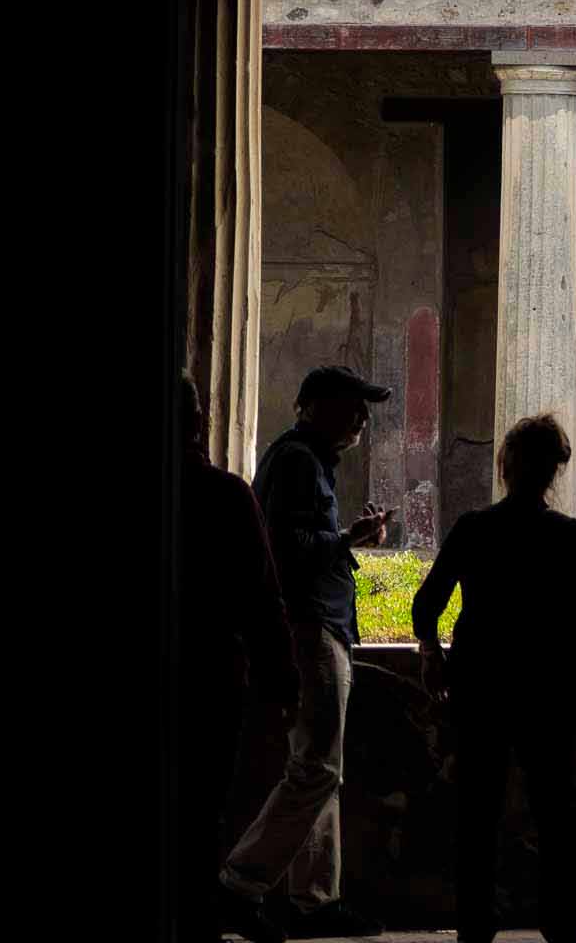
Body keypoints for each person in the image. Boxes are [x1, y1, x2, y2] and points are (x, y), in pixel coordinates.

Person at [412, 413, 576, 943]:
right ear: (555, 472)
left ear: (504, 466)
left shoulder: (474, 529)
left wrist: (431, 650)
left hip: (482, 685)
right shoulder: (570, 537)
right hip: (550, 690)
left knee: (478, 811)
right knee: (558, 812)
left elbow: (426, 603)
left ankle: (476, 924)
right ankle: (562, 924)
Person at [220, 365, 394, 941]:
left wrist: (348, 539)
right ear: (314, 405)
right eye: (354, 405)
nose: (363, 418)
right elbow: (285, 546)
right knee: (317, 768)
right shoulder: (297, 460)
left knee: (322, 770)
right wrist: (347, 541)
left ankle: (315, 901)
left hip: (321, 628)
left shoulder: (305, 460)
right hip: (311, 629)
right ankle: (238, 885)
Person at [177, 372, 300, 943]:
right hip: (208, 680)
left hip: (204, 675)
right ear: (198, 422)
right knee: (200, 814)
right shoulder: (226, 495)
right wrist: (283, 684)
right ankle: (196, 921)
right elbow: (262, 598)